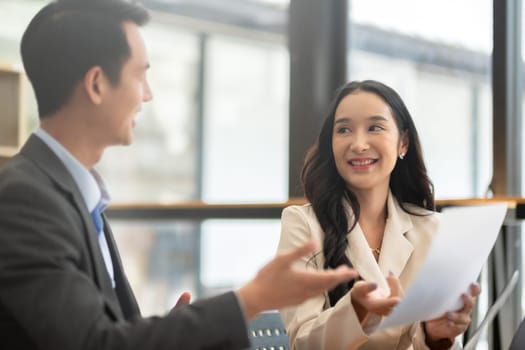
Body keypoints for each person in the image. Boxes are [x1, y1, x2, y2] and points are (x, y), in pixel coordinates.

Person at [0, 1, 359, 349]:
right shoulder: (25, 200)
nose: (148, 94)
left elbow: (108, 330)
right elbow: (94, 343)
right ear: (96, 84)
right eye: (140, 75)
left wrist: (175, 332)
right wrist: (251, 298)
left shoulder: (75, 194)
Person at [277, 80, 481, 350]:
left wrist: (434, 337)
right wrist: (357, 313)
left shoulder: (432, 229)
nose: (359, 144)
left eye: (375, 127)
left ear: (403, 143)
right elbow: (302, 343)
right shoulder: (302, 224)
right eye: (344, 130)